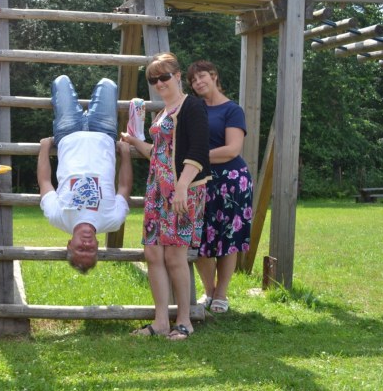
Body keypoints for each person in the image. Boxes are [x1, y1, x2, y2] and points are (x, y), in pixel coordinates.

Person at [121, 52, 209, 340]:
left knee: (174, 255)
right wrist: (135, 141)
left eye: (164, 77)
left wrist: (182, 186)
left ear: (178, 76)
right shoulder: (161, 113)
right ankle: (160, 321)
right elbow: (157, 153)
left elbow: (199, 150)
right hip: (156, 191)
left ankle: (184, 321)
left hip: (182, 190)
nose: (159, 83)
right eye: (153, 79)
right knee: (153, 253)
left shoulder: (192, 106)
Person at [37, 75, 132, 273]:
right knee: (108, 84)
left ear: (69, 244)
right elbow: (124, 187)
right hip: (104, 133)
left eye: (81, 248)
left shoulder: (58, 217)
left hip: (67, 133)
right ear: (98, 246)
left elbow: (45, 182)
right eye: (91, 249)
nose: (87, 244)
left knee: (61, 81)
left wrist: (45, 148)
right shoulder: (113, 220)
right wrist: (125, 154)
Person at [188, 60, 253, 314]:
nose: (198, 82)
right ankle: (209, 292)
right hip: (200, 181)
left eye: (202, 76)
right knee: (199, 238)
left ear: (214, 76)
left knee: (228, 240)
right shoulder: (193, 109)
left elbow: (232, 149)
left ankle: (221, 295)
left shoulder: (232, 110)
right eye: (193, 80)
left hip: (231, 182)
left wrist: (196, 156)